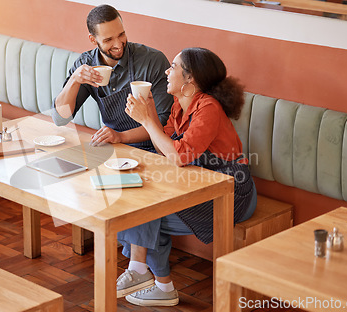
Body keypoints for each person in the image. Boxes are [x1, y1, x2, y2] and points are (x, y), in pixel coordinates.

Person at [118, 47, 257, 306]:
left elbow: (180, 156)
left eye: (173, 66)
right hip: (197, 182)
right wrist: (149, 114)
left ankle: (154, 280)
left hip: (231, 191)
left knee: (145, 213)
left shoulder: (209, 108)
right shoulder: (179, 107)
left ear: (190, 79)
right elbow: (166, 149)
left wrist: (148, 123)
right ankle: (146, 275)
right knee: (136, 205)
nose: (166, 71)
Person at [52, 4, 173, 149]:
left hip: (154, 150)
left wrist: (120, 136)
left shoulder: (153, 61)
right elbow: (60, 118)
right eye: (108, 40)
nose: (118, 45)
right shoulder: (86, 64)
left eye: (121, 35)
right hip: (113, 149)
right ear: (92, 39)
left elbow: (163, 123)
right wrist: (74, 80)